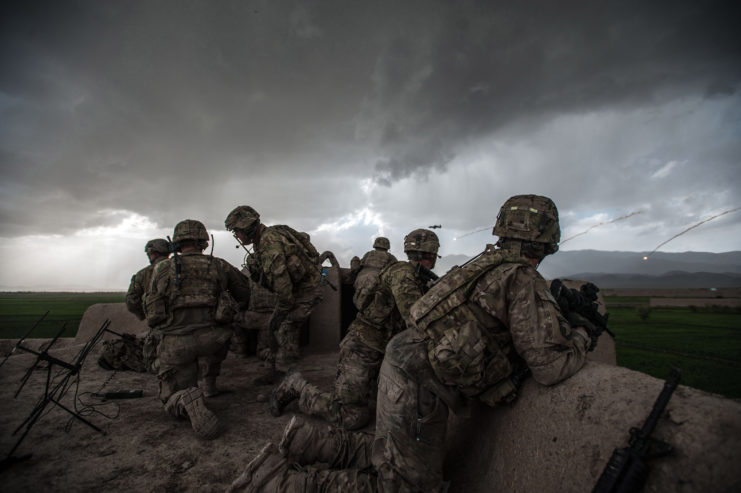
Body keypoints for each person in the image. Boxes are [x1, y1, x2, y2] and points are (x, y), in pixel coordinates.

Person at [231, 195, 599, 491]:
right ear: (548, 240)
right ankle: (276, 482)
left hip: (402, 361)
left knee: (388, 447)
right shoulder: (518, 277)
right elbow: (551, 367)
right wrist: (582, 335)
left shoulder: (479, 265)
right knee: (404, 483)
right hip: (398, 366)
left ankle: (307, 441)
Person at [269, 229, 440, 431]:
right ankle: (295, 386)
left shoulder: (416, 277)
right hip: (362, 348)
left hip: (382, 352)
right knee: (350, 416)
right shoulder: (403, 274)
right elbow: (415, 319)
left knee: (385, 407)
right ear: (429, 254)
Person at [146, 219, 250, 439]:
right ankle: (209, 385)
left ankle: (184, 399)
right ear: (204, 242)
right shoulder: (219, 265)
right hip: (214, 339)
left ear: (176, 243)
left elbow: (153, 311)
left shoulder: (162, 269)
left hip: (178, 343)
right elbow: (244, 294)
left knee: (169, 397)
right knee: (213, 346)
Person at [225, 206, 323, 378]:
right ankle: (275, 370)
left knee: (284, 329)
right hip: (300, 290)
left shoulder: (269, 243)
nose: (237, 236)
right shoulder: (265, 239)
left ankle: (290, 377)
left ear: (247, 227)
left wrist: (278, 316)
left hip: (306, 292)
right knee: (274, 328)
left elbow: (284, 293)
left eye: (238, 231)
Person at [98, 239, 170, 373]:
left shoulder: (144, 274)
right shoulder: (183, 267)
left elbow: (131, 302)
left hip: (162, 332)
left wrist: (146, 314)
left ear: (152, 253)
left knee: (112, 349)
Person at [350, 237, 397, 312]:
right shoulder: (390, 257)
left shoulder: (368, 254)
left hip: (361, 278)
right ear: (387, 246)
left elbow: (359, 266)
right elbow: (395, 270)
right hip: (377, 280)